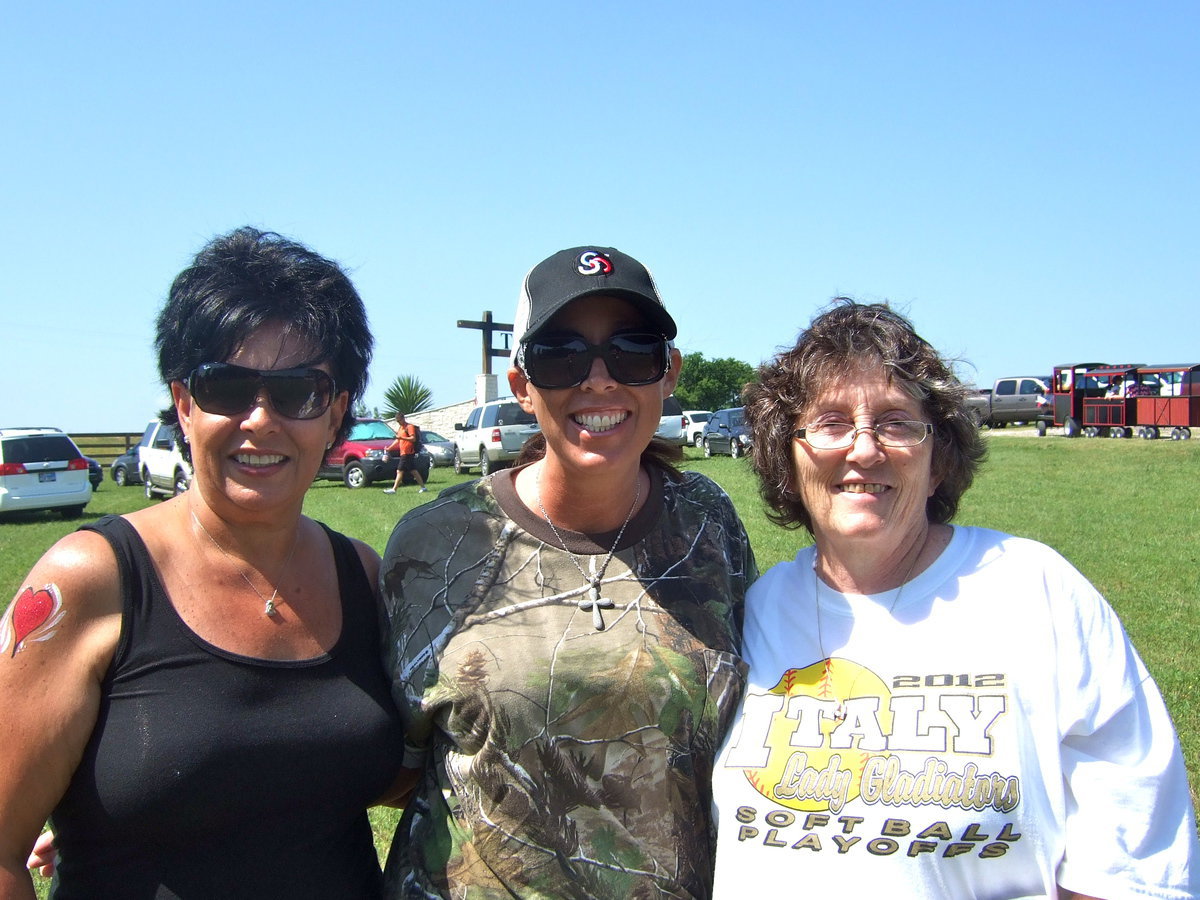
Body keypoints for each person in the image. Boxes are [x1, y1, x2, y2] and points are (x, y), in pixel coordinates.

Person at [711, 299, 1199, 899]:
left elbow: (1131, 867)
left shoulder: (1035, 592)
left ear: (938, 459)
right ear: (787, 459)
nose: (863, 449)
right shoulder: (757, 610)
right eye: (831, 423)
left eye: (895, 422)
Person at [0, 227, 406, 899]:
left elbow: (373, 763)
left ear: (335, 415)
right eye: (226, 388)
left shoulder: (362, 576)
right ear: (184, 404)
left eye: (298, 392)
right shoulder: (91, 579)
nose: (259, 419)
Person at [379, 246, 756, 898]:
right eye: (562, 355)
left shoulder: (708, 524)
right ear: (523, 386)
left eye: (633, 351)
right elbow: (390, 769)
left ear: (669, 373)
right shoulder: (435, 542)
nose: (601, 380)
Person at [383, 413, 426, 494]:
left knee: (399, 471)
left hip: (408, 452)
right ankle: (423, 487)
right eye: (397, 421)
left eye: (399, 421)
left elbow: (413, 439)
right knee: (413, 471)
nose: (399, 422)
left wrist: (401, 437)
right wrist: (389, 448)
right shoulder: (400, 428)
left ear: (403, 418)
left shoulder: (409, 427)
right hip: (403, 452)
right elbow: (398, 440)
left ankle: (394, 489)